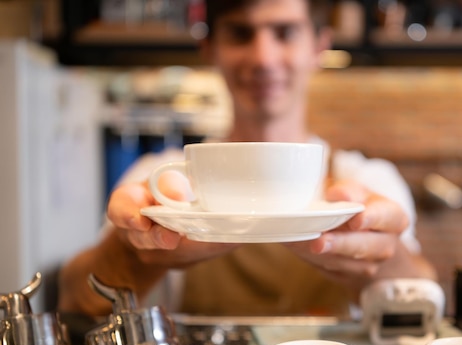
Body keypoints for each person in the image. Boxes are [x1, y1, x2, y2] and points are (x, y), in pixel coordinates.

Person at [57, 0, 437, 319]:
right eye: (241, 33)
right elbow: (75, 303)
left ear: (319, 47)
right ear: (210, 49)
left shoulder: (368, 181)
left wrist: (383, 260)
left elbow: (427, 302)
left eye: (285, 32)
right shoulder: (161, 182)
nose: (263, 57)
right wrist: (136, 250)